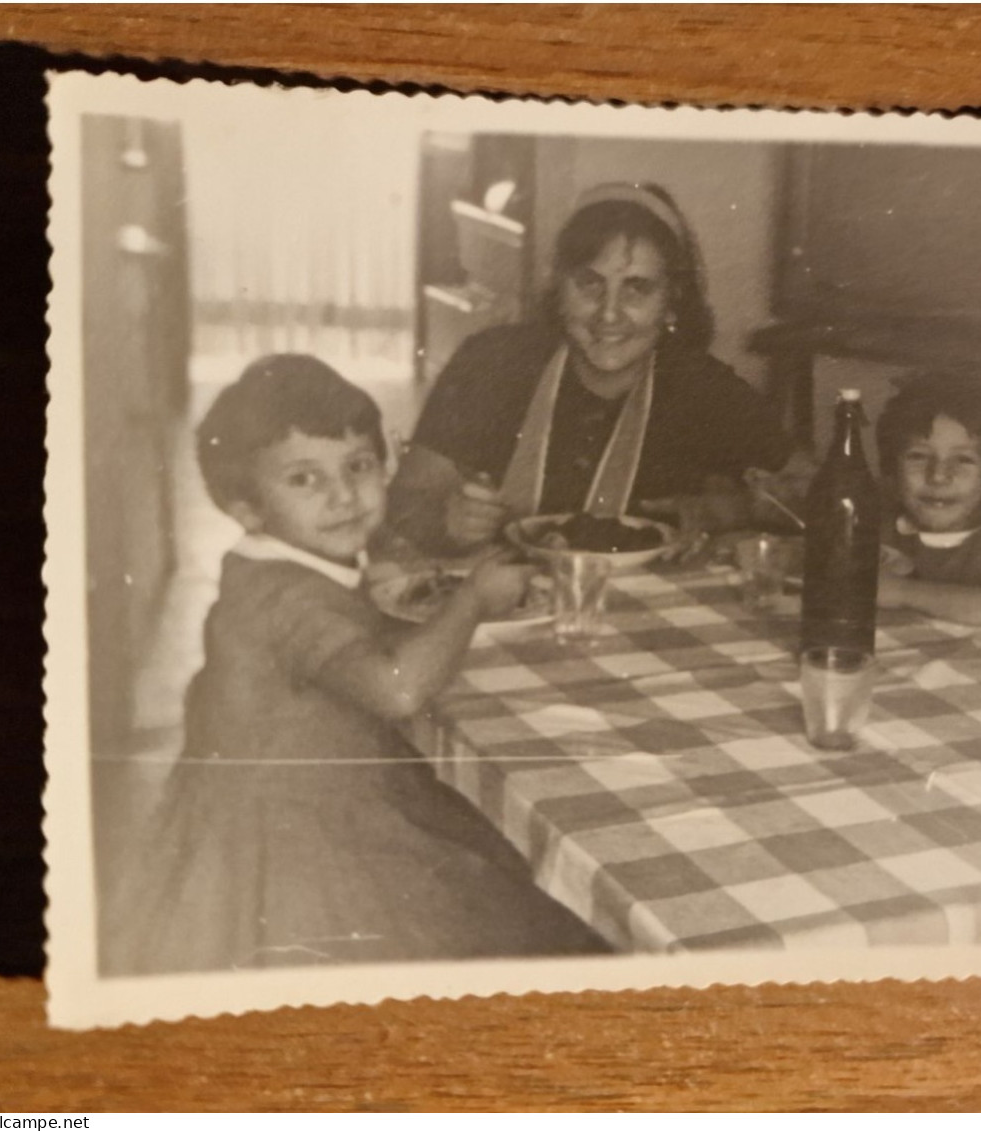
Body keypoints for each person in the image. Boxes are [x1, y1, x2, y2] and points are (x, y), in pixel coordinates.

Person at [102, 355, 604, 976]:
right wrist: (473, 599)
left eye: (359, 466)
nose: (344, 497)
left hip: (296, 809)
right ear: (246, 507)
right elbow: (396, 689)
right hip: (300, 848)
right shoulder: (282, 595)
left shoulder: (276, 563)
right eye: (304, 480)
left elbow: (349, 633)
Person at [387, 182, 794, 556]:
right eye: (590, 284)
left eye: (637, 288)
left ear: (672, 301)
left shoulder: (705, 389)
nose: (610, 314)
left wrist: (724, 511)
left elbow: (809, 493)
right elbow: (404, 503)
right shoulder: (491, 362)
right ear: (559, 289)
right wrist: (446, 522)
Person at [873, 373, 981, 639]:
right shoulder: (878, 531)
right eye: (918, 456)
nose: (939, 476)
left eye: (963, 460)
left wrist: (897, 592)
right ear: (892, 475)